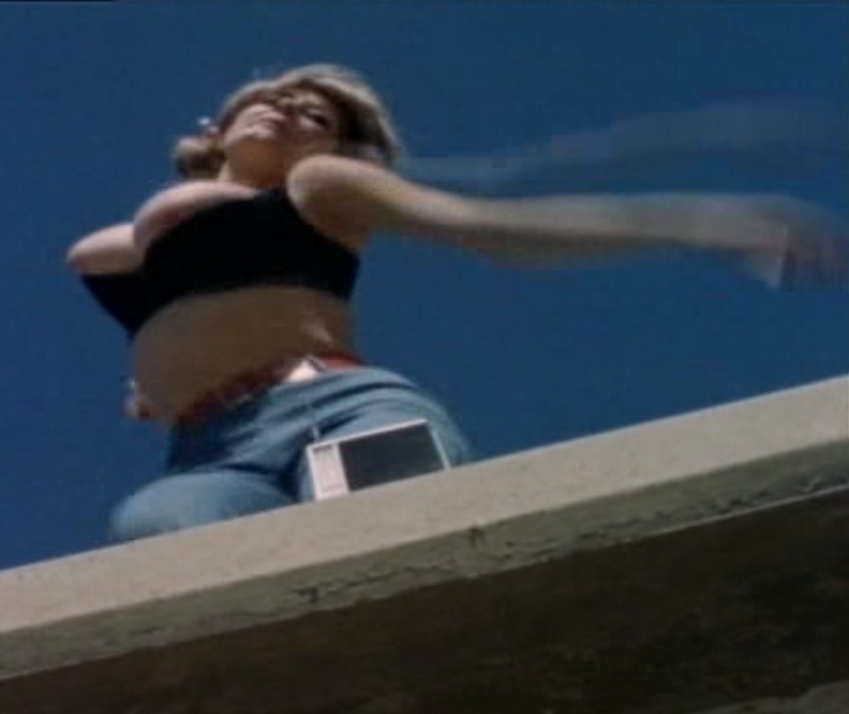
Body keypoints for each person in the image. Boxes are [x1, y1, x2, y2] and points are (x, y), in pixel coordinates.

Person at [66, 64, 846, 543]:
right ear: (216, 129)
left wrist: (704, 223)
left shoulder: (318, 186)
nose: (287, 106)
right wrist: (162, 376)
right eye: (270, 96)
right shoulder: (133, 247)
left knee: (398, 551)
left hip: (330, 409)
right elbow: (161, 274)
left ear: (336, 148)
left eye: (316, 114)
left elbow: (494, 230)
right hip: (206, 447)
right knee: (159, 535)